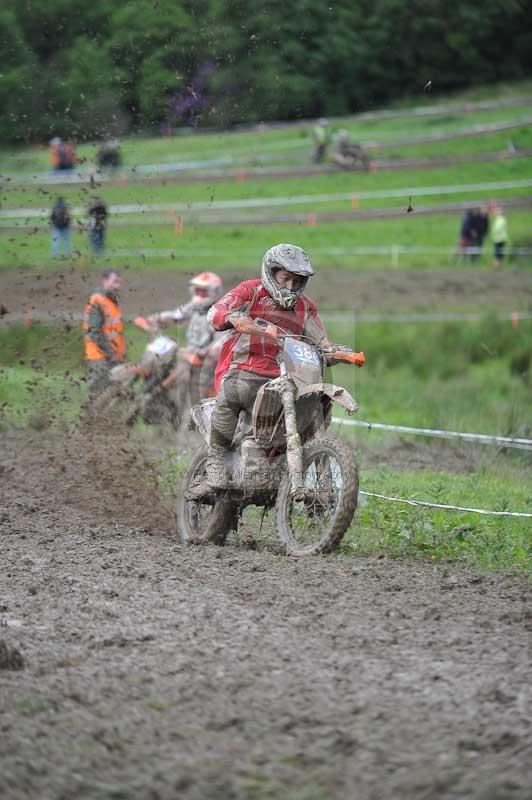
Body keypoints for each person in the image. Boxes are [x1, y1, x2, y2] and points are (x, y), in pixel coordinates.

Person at [204, 243, 333, 489]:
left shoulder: (306, 306)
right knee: (235, 391)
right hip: (244, 369)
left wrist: (334, 350)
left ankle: (319, 481)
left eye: (297, 282)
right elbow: (215, 311)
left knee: (317, 405)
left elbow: (321, 339)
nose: (290, 287)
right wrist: (232, 317)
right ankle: (216, 460)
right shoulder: (250, 291)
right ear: (271, 272)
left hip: (288, 376)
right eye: (286, 279)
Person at [148, 271, 226, 402]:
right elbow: (175, 315)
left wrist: (203, 352)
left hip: (205, 365)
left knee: (187, 385)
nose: (200, 294)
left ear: (214, 292)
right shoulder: (193, 307)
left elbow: (219, 344)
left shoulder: (220, 314)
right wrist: (156, 319)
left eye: (204, 291)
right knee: (158, 361)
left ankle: (186, 417)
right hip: (188, 356)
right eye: (197, 291)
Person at [82, 269, 125, 394]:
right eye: (115, 282)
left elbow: (114, 329)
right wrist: (111, 354)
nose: (118, 286)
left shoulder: (112, 300)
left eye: (120, 283)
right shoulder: (97, 300)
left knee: (114, 396)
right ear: (104, 281)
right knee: (100, 396)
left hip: (111, 356)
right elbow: (94, 332)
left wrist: (118, 355)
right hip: (100, 357)